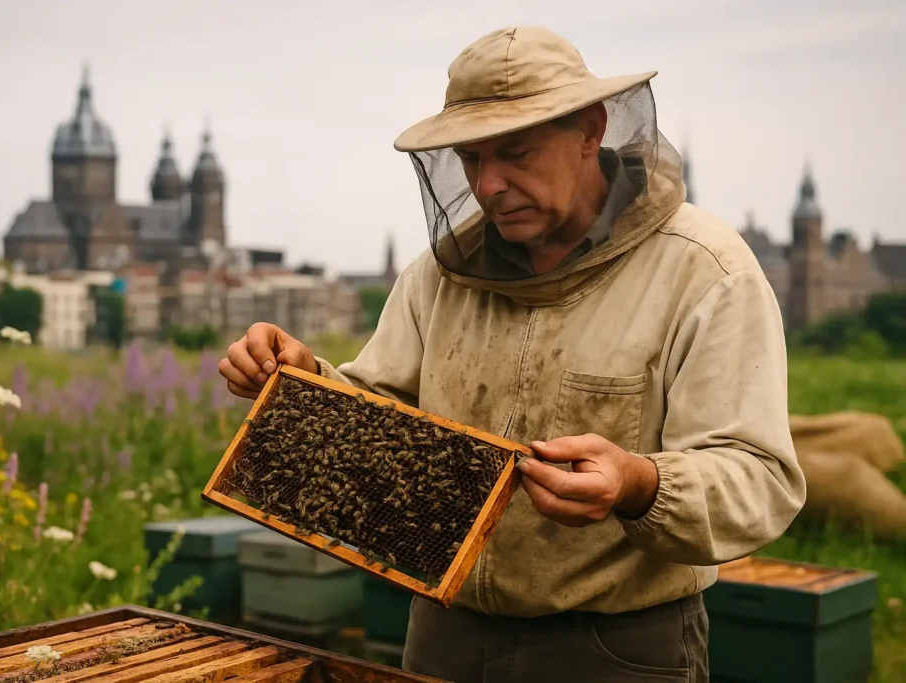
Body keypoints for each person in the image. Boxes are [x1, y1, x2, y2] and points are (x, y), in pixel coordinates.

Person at [220, 25, 806, 682]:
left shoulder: (707, 272)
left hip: (614, 645)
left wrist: (640, 483)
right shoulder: (439, 274)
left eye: (515, 152)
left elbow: (758, 478)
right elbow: (384, 420)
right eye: (470, 158)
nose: (488, 183)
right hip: (444, 633)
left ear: (589, 129)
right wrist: (307, 383)